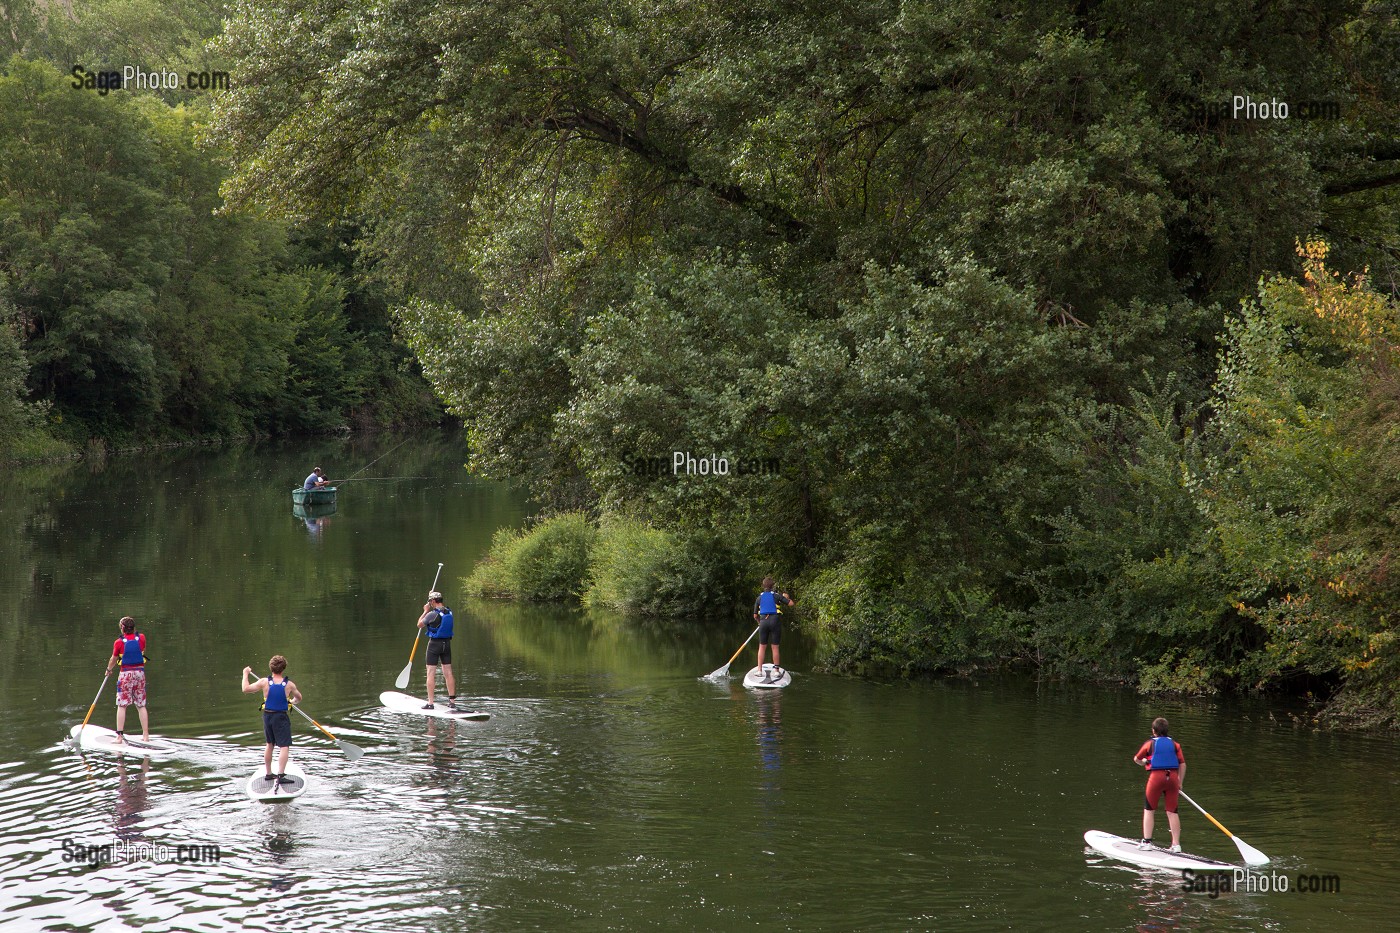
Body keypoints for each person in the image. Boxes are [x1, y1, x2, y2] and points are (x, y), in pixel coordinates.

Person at [241, 656, 302, 784]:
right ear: (283, 669)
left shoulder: (264, 682)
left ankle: (268, 774)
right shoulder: (289, 685)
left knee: (270, 745)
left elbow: (245, 689)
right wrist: (292, 701)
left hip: (267, 717)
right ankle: (280, 775)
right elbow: (299, 698)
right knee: (284, 746)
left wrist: (245, 673)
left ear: (271, 668)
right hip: (280, 717)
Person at [1133, 716, 1187, 852]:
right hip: (1173, 778)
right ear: (1167, 730)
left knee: (1149, 809)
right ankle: (1176, 845)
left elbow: (1137, 759)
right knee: (1172, 812)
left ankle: (1147, 842)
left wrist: (1145, 762)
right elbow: (1182, 763)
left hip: (1156, 778)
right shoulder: (1175, 745)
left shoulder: (1149, 744)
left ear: (1153, 731)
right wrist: (1180, 781)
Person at [105, 616, 149, 743]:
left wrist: (108, 670)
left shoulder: (118, 642)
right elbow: (142, 650)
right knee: (141, 705)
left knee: (122, 705)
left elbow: (113, 660)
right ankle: (146, 736)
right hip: (140, 673)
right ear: (133, 627)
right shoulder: (141, 638)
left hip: (125, 674)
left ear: (122, 628)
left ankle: (119, 737)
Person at [418, 591, 457, 708]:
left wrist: (425, 611)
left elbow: (419, 625)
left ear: (433, 601)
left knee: (430, 673)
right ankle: (452, 702)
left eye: (430, 601)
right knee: (448, 672)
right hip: (447, 644)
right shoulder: (449, 612)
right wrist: (431, 594)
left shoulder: (431, 614)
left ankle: (430, 703)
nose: (429, 603)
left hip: (434, 645)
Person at [752, 577, 795, 683]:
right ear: (773, 586)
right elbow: (791, 604)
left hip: (763, 623)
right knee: (775, 647)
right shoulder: (777, 596)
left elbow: (755, 615)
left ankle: (759, 670)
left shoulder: (759, 598)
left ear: (763, 586)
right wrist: (786, 597)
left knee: (762, 647)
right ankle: (776, 671)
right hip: (775, 622)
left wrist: (759, 622)